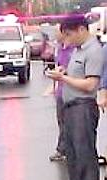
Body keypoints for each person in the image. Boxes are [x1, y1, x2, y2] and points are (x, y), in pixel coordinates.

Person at [48, 16, 101, 180]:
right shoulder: (77, 51)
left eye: (69, 35)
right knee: (72, 154)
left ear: (81, 29)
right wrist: (63, 71)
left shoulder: (94, 51)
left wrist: (63, 78)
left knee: (85, 154)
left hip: (83, 107)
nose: (67, 40)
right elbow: (76, 75)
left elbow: (90, 85)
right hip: (69, 107)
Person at [49, 28, 74, 162]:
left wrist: (65, 71)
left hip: (72, 90)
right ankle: (63, 148)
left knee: (71, 121)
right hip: (61, 90)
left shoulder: (74, 49)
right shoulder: (59, 48)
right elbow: (57, 66)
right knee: (61, 121)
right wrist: (54, 87)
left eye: (56, 32)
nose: (54, 35)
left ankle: (65, 149)